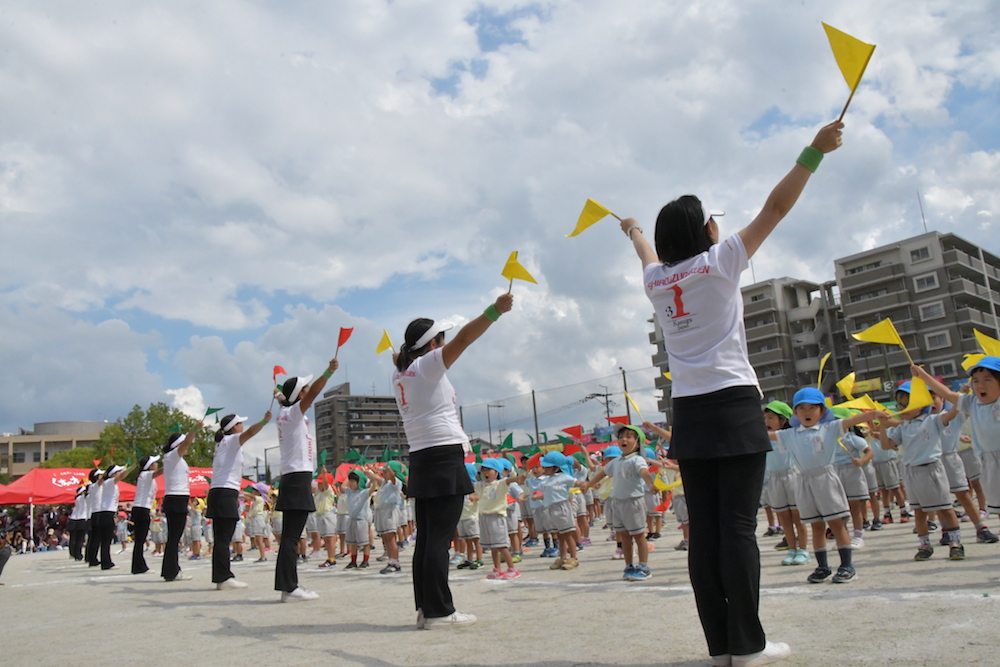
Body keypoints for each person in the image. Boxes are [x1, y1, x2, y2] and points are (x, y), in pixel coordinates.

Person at [620, 120, 843, 667]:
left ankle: (721, 645)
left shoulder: (657, 282)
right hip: (735, 402)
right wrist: (813, 151)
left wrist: (631, 231)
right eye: (713, 218)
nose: (720, 224)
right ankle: (749, 645)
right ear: (704, 233)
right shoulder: (720, 262)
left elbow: (647, 254)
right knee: (739, 528)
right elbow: (775, 209)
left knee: (707, 533)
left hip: (690, 412)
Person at [393, 292, 513, 629]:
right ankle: (440, 612)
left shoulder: (401, 373)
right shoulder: (426, 365)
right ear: (433, 344)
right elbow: (464, 338)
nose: (446, 343)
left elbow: (404, 356)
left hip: (422, 455)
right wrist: (495, 311)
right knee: (439, 540)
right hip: (443, 454)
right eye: (440, 339)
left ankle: (426, 608)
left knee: (429, 538)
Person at [878, 375, 967, 561]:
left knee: (945, 508)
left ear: (920, 403)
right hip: (911, 471)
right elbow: (887, 445)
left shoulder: (933, 420)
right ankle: (925, 544)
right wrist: (883, 427)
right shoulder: (902, 427)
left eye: (907, 404)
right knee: (919, 511)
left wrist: (961, 396)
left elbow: (952, 414)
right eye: (899, 406)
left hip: (932, 468)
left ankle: (955, 543)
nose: (902, 409)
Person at [273, 358, 339, 602]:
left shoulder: (285, 411)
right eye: (304, 388)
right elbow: (312, 394)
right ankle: (290, 588)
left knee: (291, 536)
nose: (308, 390)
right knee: (292, 537)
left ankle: (287, 585)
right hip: (297, 477)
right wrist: (328, 372)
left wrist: (280, 393)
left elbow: (285, 398)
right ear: (298, 395)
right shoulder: (292, 413)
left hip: (292, 477)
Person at [585, 424, 657, 580]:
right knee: (624, 536)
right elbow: (602, 473)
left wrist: (650, 484)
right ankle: (629, 565)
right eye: (621, 437)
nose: (623, 439)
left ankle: (644, 567)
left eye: (629, 437)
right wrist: (588, 485)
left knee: (639, 536)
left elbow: (644, 472)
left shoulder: (637, 459)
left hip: (633, 502)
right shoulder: (616, 461)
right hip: (618, 502)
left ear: (638, 443)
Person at [207, 412, 269, 590]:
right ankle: (224, 577)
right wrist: (264, 420)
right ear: (234, 427)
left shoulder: (222, 443)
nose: (242, 426)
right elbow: (249, 433)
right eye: (240, 423)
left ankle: (221, 577)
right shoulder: (231, 440)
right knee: (224, 539)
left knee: (221, 538)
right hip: (224, 492)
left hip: (220, 491)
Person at [759, 403, 807, 566]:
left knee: (797, 517)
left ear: (783, 419)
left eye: (771, 418)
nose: (767, 421)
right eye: (766, 418)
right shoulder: (764, 438)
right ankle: (791, 549)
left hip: (791, 476)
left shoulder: (790, 435)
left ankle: (803, 549)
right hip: (774, 479)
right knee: (784, 518)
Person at [161, 427, 200, 582]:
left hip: (177, 498)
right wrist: (196, 429)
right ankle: (172, 571)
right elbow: (187, 441)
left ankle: (170, 570)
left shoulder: (175, 458)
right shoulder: (173, 455)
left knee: (174, 537)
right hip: (176, 498)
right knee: (174, 537)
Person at [477, 458, 523, 579]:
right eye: (484, 470)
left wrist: (518, 478)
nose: (486, 473)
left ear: (496, 472)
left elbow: (509, 480)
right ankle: (497, 569)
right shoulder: (482, 485)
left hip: (496, 517)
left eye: (489, 470)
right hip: (484, 517)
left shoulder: (499, 484)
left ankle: (512, 568)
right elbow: (470, 485)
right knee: (493, 546)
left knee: (501, 545)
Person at [131, 455, 162, 574]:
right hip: (141, 509)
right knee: (140, 539)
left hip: (142, 509)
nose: (157, 464)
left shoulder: (145, 476)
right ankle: (139, 566)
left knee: (140, 539)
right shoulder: (146, 474)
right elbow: (160, 472)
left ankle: (138, 565)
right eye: (155, 463)